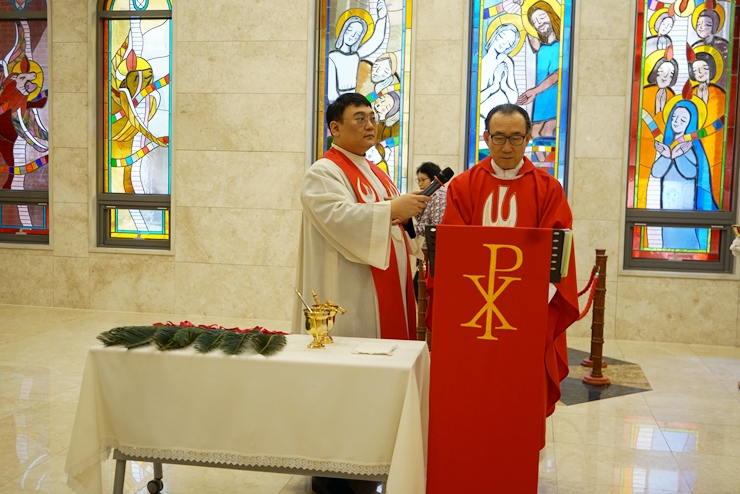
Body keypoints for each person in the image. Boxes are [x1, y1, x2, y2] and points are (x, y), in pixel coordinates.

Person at [436, 103, 579, 450]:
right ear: (486, 138)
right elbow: (452, 248)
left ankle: (516, 450)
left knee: (519, 384)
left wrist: (532, 298)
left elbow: (557, 249)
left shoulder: (548, 188)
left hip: (527, 312)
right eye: (498, 137)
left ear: (529, 138)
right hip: (473, 311)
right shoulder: (464, 186)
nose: (506, 146)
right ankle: (470, 445)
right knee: (472, 380)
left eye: (516, 137)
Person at [293, 92, 430, 340]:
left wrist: (405, 216)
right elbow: (339, 217)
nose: (370, 125)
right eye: (360, 119)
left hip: (391, 282)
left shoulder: (378, 173)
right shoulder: (323, 172)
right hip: (352, 288)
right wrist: (392, 209)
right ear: (335, 128)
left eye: (372, 118)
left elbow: (393, 223)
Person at [413, 161, 447, 296]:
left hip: (435, 251)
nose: (420, 184)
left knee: (421, 290)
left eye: (423, 180)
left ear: (434, 179)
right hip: (427, 250)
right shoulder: (428, 196)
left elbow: (436, 226)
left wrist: (408, 227)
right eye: (418, 180)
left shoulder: (438, 195)